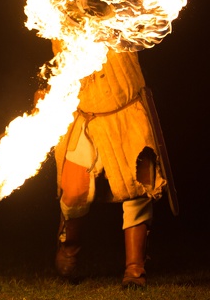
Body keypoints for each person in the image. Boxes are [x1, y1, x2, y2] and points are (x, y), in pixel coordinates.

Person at [49, 40, 168, 288]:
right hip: (84, 116)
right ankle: (69, 246)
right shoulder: (64, 14)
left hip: (127, 111)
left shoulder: (124, 11)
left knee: (139, 188)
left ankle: (135, 269)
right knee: (74, 192)